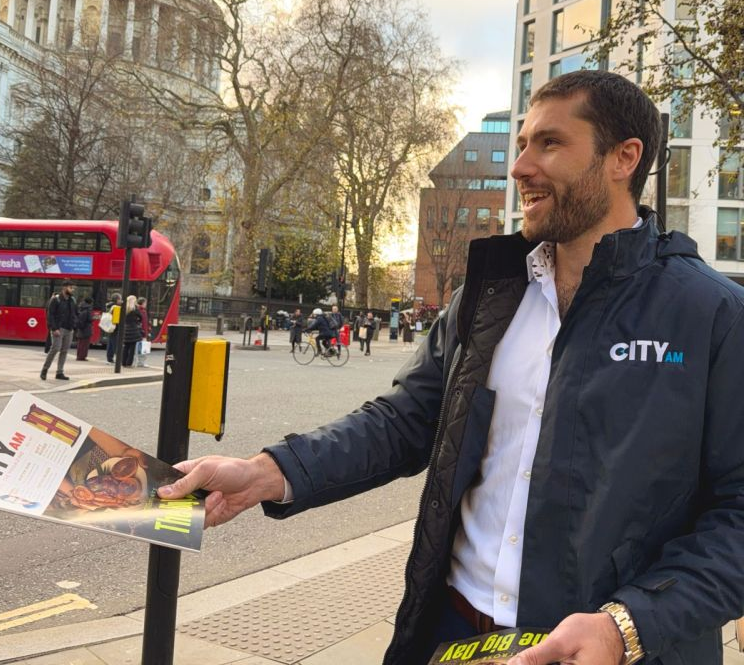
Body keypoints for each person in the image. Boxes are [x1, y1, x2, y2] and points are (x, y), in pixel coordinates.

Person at [157, 71, 744, 665]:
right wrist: (268, 471)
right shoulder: (491, 294)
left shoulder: (712, 314)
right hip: (458, 633)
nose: (520, 168)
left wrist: (626, 628)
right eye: (520, 146)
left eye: (549, 143)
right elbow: (405, 420)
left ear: (624, 158)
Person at [41, 279, 78, 381]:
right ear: (64, 288)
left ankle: (59, 372)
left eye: (73, 288)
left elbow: (75, 313)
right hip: (58, 328)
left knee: (64, 351)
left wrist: (74, 325)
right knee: (55, 348)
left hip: (69, 329)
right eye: (71, 288)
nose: (72, 290)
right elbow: (50, 315)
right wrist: (54, 328)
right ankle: (45, 369)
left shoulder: (73, 300)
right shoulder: (56, 299)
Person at [121, 294, 143, 367]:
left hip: (125, 330)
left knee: (125, 347)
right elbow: (141, 317)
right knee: (132, 348)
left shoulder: (124, 308)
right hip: (133, 330)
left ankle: (123, 362)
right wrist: (137, 321)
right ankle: (129, 363)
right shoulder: (135, 309)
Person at [74, 296, 94, 361]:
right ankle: (81, 357)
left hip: (81, 329)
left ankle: (79, 356)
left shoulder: (81, 307)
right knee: (85, 344)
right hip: (86, 329)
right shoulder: (88, 309)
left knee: (80, 343)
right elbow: (89, 319)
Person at [105, 292, 122, 364]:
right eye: (120, 299)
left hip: (109, 326)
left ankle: (109, 358)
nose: (121, 301)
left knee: (110, 342)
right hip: (115, 327)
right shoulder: (116, 307)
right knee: (115, 343)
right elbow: (116, 320)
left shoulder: (109, 305)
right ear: (117, 300)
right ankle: (117, 358)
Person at [134, 297, 150, 368]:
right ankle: (141, 362)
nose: (146, 304)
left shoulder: (141, 310)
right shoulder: (141, 311)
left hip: (141, 331)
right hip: (142, 332)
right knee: (143, 348)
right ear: (143, 303)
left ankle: (139, 362)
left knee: (139, 348)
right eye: (145, 303)